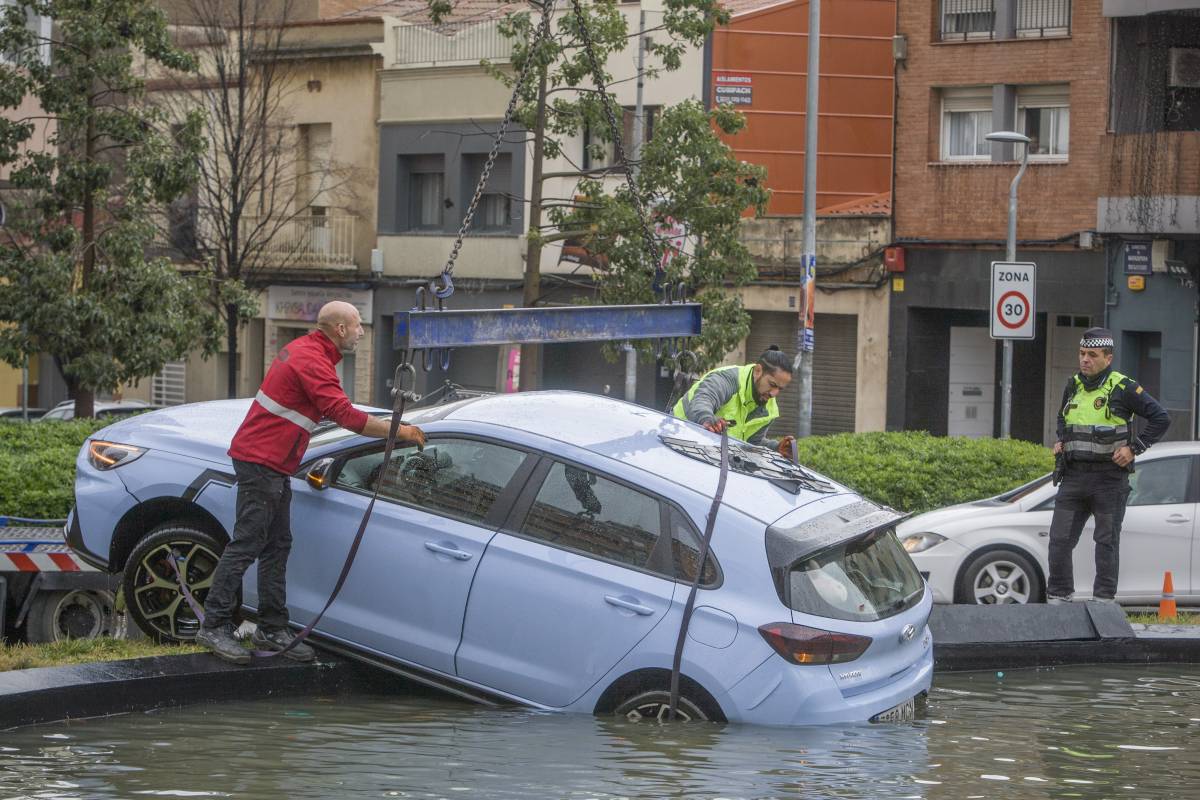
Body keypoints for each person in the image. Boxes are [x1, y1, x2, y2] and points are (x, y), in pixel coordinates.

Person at [196, 301, 426, 664]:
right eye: (357, 326)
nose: (361, 332)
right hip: (262, 462)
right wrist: (400, 431)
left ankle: (271, 627)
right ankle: (214, 625)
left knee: (277, 545)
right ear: (339, 329)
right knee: (248, 543)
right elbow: (346, 417)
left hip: (270, 463)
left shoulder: (309, 353)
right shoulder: (313, 362)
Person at [1046, 327, 1169, 605]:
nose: (1085, 359)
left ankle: (1103, 603)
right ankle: (1059, 598)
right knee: (1059, 541)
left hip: (1109, 480)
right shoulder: (1073, 385)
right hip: (1074, 476)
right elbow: (1063, 418)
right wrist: (1062, 441)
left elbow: (1161, 418)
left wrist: (1134, 448)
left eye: (1092, 355)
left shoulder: (1123, 387)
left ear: (1108, 358)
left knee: (1106, 543)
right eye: (1082, 353)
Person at [673, 345, 795, 456]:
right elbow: (703, 399)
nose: (774, 394)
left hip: (709, 454)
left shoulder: (769, 409)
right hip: (676, 438)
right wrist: (707, 419)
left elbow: (750, 443)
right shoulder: (728, 379)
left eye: (780, 389)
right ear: (758, 371)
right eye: (772, 384)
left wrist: (775, 448)